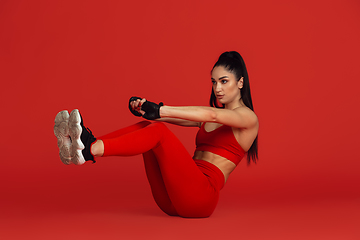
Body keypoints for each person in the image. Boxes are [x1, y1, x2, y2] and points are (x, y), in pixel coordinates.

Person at [54, 51, 259, 218]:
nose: (217, 88)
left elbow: (213, 114)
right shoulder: (208, 118)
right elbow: (178, 117)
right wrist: (148, 110)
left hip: (200, 199)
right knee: (147, 126)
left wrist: (160, 110)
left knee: (160, 132)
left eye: (224, 81)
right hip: (171, 199)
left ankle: (91, 148)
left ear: (240, 82)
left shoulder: (248, 118)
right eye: (214, 82)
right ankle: (85, 145)